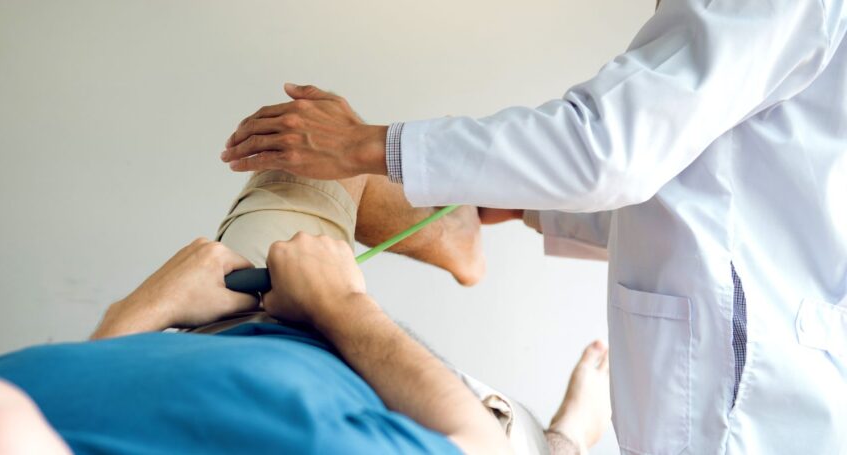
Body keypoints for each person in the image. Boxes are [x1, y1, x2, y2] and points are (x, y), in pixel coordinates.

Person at [218, 1, 847, 454]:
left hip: (746, 396)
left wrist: (365, 144)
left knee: (304, 171)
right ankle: (563, 424)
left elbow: (610, 150)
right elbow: (708, 190)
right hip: (735, 372)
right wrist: (526, 206)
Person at [0, 171, 612, 455]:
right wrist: (340, 304)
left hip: (223, 313)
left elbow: (76, 411)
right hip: (366, 356)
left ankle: (459, 239)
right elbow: (469, 442)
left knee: (305, 163)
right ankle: (572, 436)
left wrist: (138, 310)